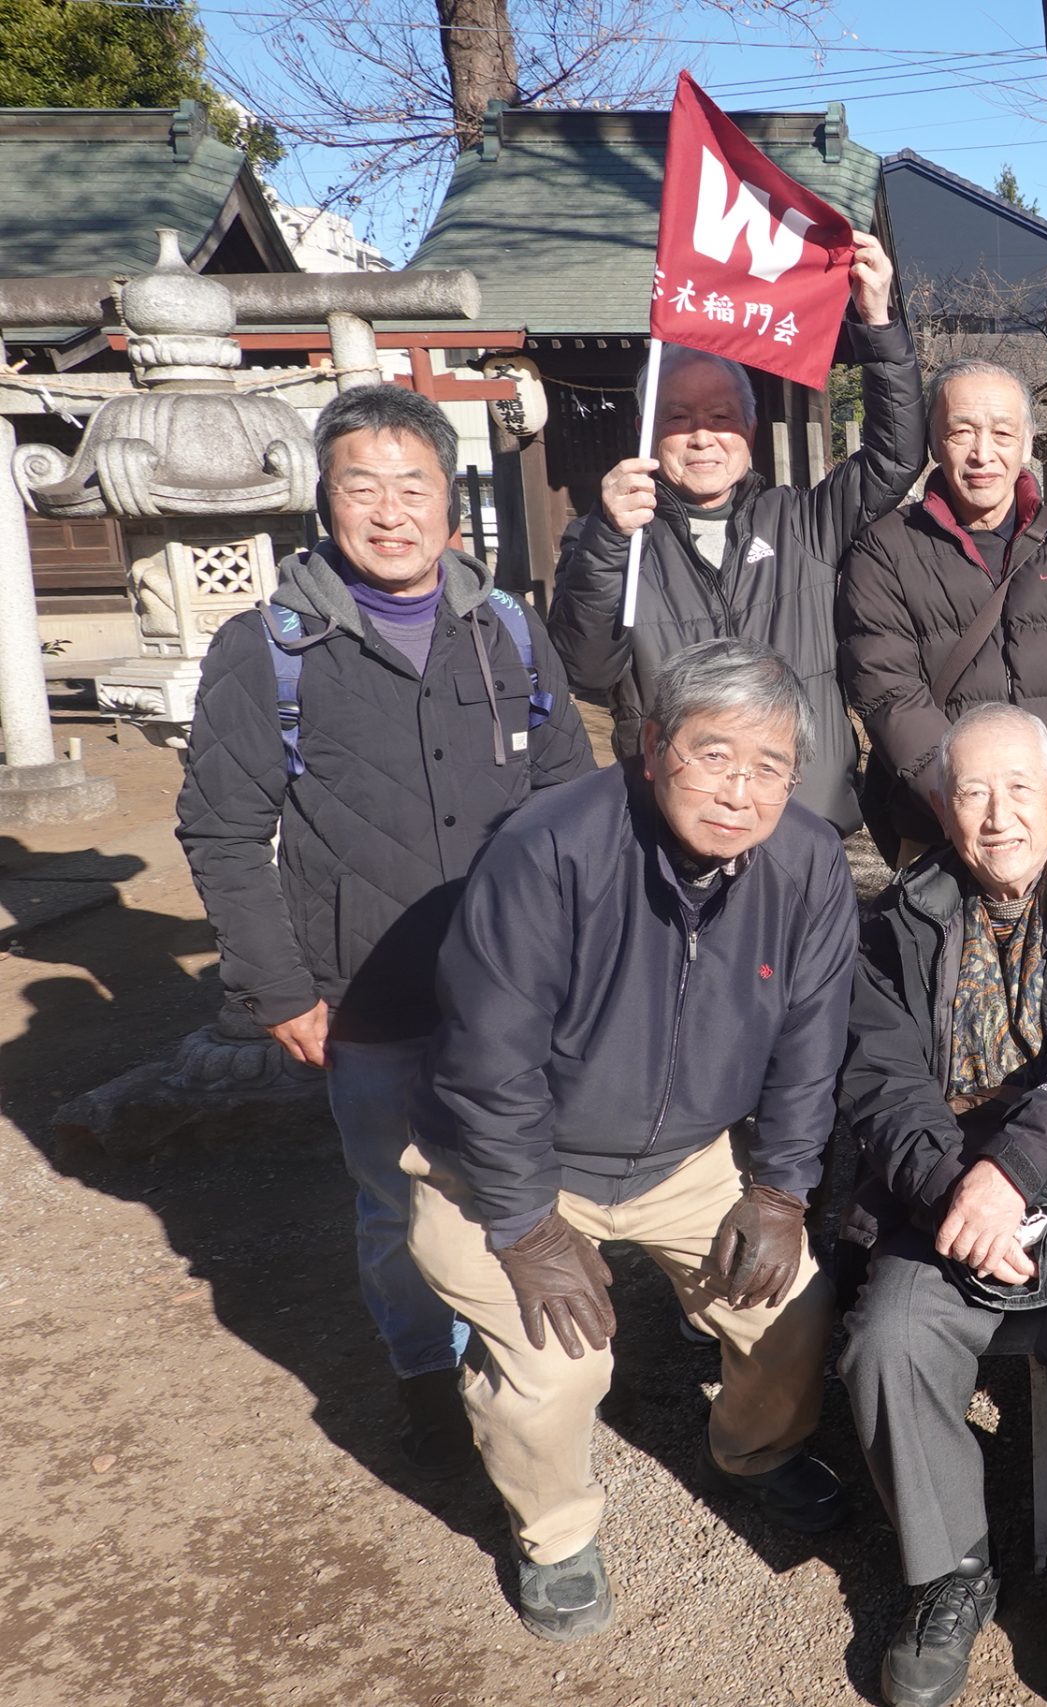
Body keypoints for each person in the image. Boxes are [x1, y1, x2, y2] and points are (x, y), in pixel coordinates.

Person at [176, 383, 595, 1476]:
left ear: (450, 505)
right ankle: (424, 1376)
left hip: (518, 991)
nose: (390, 510)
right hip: (366, 993)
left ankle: (525, 1366)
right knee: (397, 1205)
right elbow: (223, 829)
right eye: (362, 486)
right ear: (327, 502)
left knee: (528, 1178)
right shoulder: (268, 650)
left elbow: (569, 798)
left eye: (413, 486)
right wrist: (276, 989)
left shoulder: (505, 630)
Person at [405, 638, 859, 1641]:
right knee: (556, 1364)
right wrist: (525, 1227)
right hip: (506, 1163)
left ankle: (756, 1448)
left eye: (770, 766)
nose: (741, 791)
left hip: (685, 1158)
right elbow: (490, 1060)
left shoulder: (809, 862)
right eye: (714, 755)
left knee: (790, 1303)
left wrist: (780, 1190)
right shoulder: (549, 848)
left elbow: (810, 1040)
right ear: (652, 747)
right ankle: (556, 1536)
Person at [835, 703, 1047, 1707]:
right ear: (941, 804)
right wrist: (954, 1191)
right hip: (938, 1201)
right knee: (886, 1336)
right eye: (973, 791)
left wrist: (1007, 1174)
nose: (997, 815)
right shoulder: (894, 924)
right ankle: (948, 1574)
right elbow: (880, 1081)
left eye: (1020, 788)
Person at [548, 229, 924, 838]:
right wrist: (609, 536)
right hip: (676, 823)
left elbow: (893, 457)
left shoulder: (803, 520)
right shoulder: (612, 537)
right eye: (678, 418)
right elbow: (586, 668)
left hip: (807, 813)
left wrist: (876, 321)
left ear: (749, 430)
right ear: (648, 433)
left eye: (721, 417)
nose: (702, 436)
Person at [841, 358, 1047, 862]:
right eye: (961, 432)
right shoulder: (884, 551)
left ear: (1027, 442)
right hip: (937, 827)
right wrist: (966, 807)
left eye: (1002, 432)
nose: (983, 453)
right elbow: (888, 693)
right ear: (935, 442)